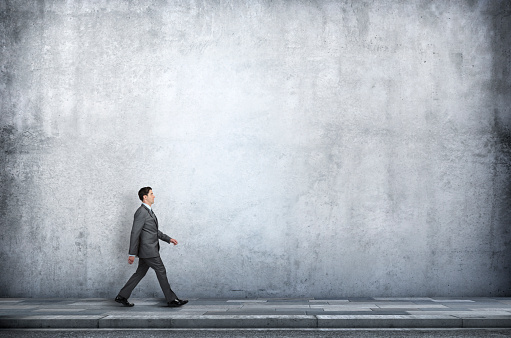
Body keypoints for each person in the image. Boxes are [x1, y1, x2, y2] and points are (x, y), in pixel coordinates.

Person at [115, 187, 188, 307]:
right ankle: (171, 299)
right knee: (161, 271)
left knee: (139, 273)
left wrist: (168, 239)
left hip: (146, 251)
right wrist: (132, 253)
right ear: (145, 197)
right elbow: (135, 233)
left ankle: (122, 296)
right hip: (149, 251)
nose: (154, 196)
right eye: (152, 194)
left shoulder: (148, 211)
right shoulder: (141, 212)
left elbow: (153, 231)